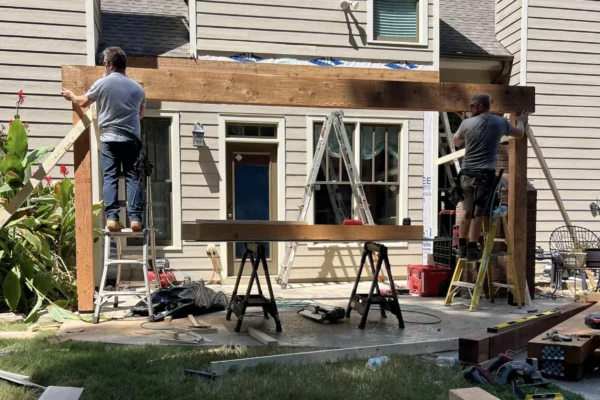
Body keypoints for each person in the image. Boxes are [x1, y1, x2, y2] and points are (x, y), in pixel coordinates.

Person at [61, 47, 147, 232]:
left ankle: (112, 219)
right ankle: (135, 219)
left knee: (110, 177)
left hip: (109, 138)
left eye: (104, 63)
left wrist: (71, 96)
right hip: (131, 139)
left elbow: (83, 102)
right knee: (133, 177)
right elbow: (140, 114)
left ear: (109, 64)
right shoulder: (138, 88)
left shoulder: (103, 83)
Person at [452, 94, 528, 260]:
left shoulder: (466, 123)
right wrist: (521, 120)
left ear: (479, 106)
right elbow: (519, 134)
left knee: (466, 212)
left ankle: (461, 247)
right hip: (484, 176)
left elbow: (456, 142)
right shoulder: (499, 122)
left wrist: (464, 122)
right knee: (478, 214)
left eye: (472, 106)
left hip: (466, 175)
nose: (470, 109)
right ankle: (472, 248)